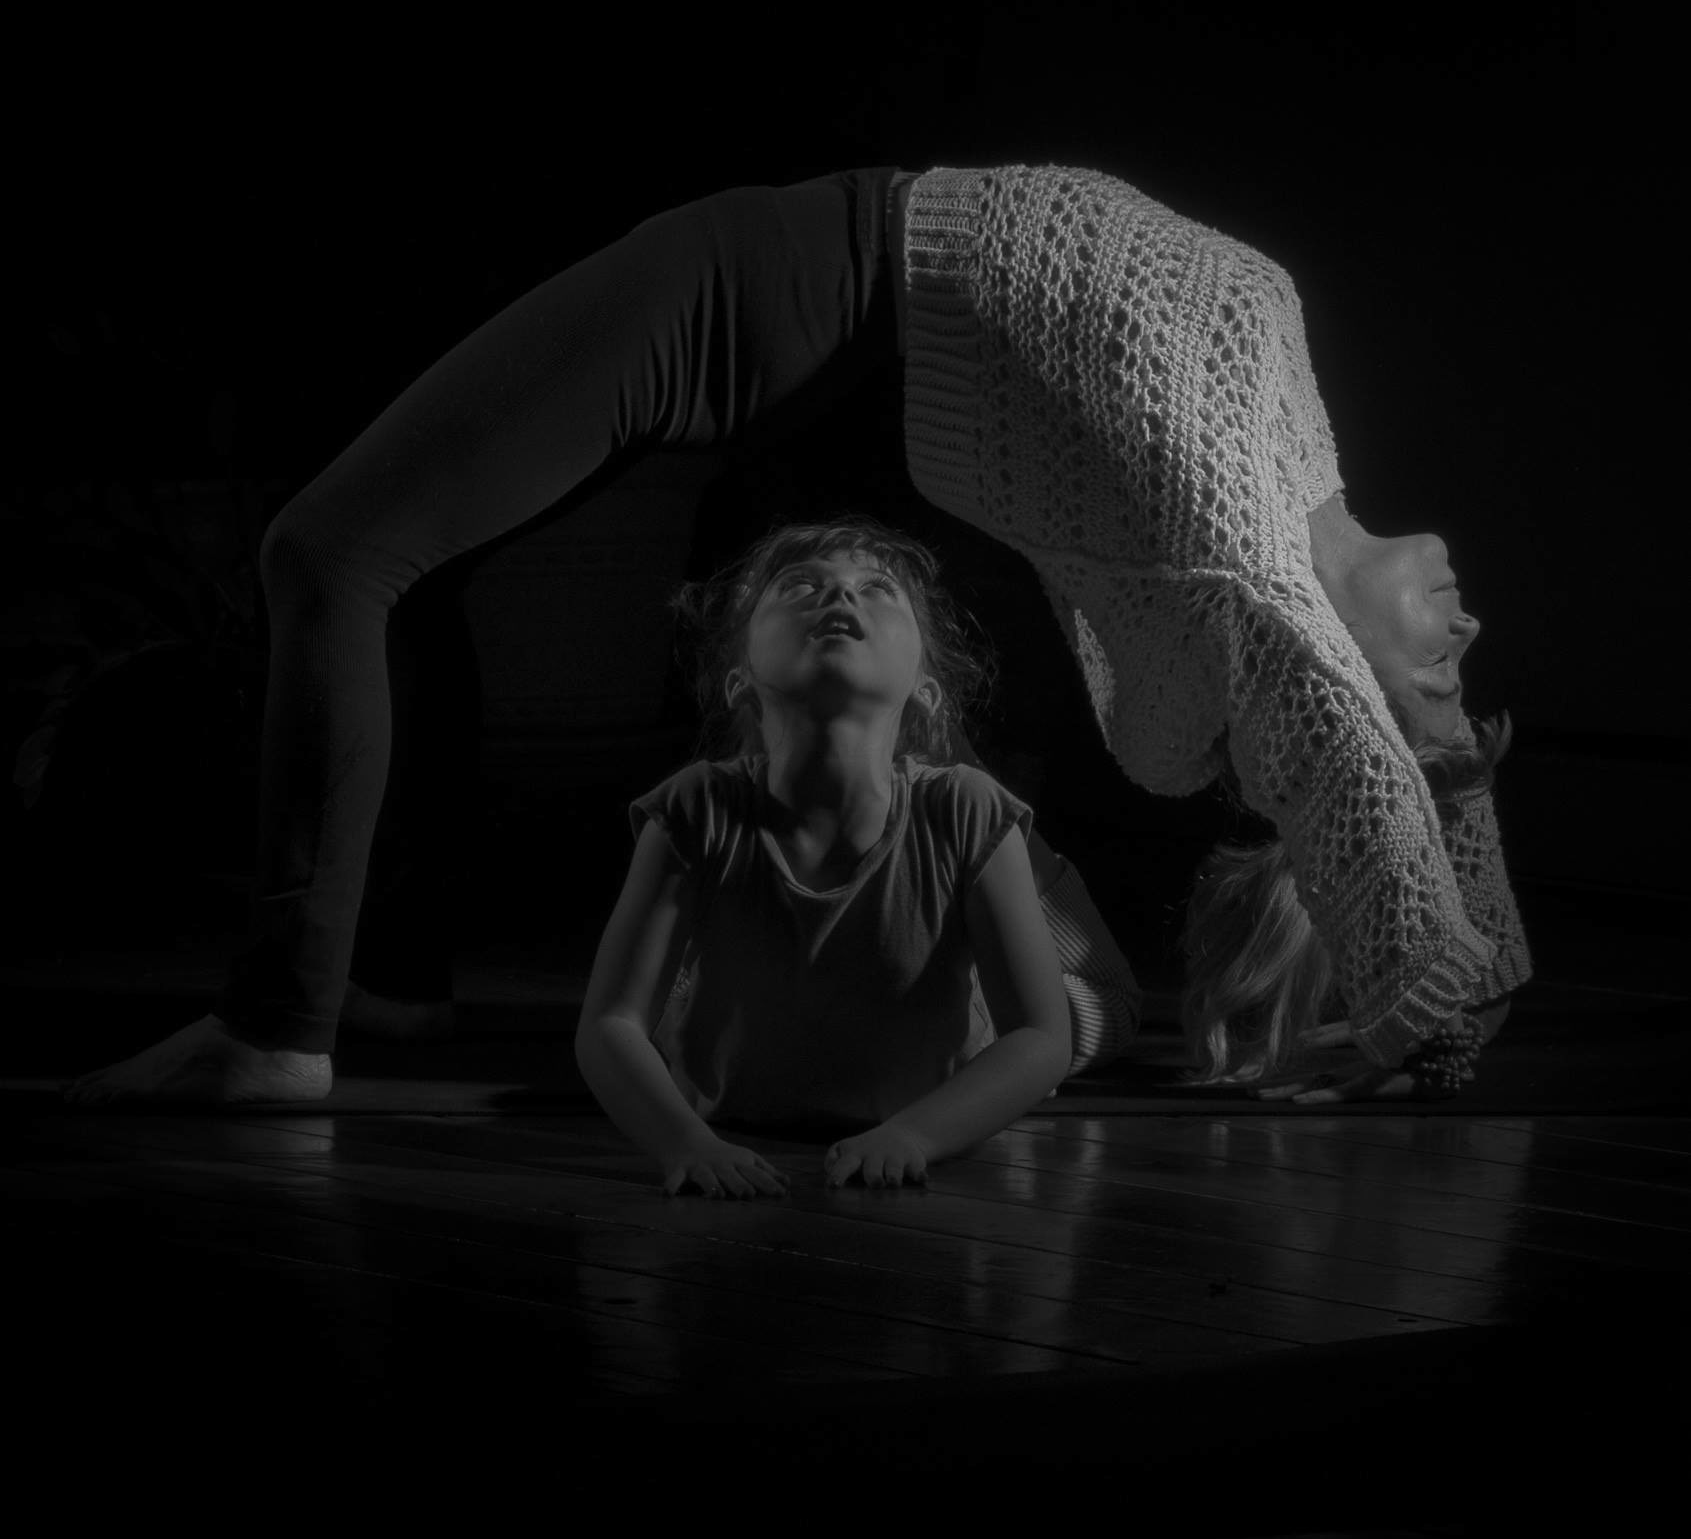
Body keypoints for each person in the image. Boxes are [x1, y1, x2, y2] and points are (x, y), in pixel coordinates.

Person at [65, 160, 1530, 1110]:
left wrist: (1425, 1002)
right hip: (796, 304)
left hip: (757, 282)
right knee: (412, 566)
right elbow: (1365, 755)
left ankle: (273, 1031)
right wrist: (1457, 820)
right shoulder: (1283, 423)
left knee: (326, 552)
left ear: (1350, 690)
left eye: (1435, 675)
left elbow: (1327, 743)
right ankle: (387, 973)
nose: (1462, 621)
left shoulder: (1243, 558)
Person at [577, 515, 1141, 1194]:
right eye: (799, 585)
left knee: (1105, 1005)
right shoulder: (696, 807)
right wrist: (684, 1144)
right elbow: (609, 1022)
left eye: (876, 588)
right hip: (742, 1026)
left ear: (925, 687)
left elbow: (1041, 1038)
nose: (840, 594)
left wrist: (915, 1135)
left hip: (964, 1038)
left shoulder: (966, 807)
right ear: (739, 679)